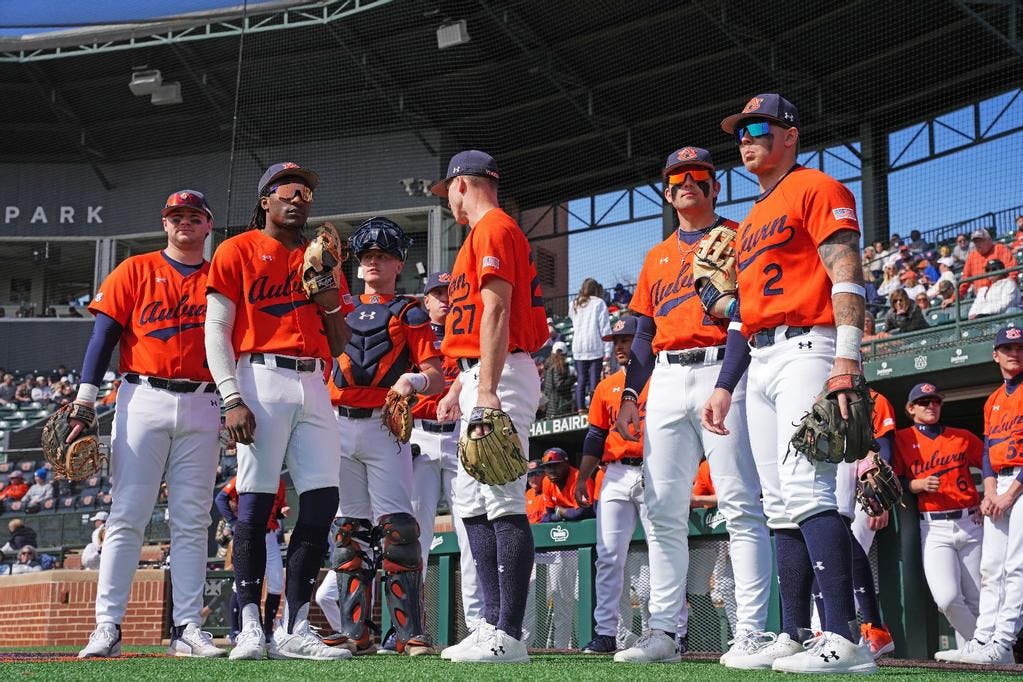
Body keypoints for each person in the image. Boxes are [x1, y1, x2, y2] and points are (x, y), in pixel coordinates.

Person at [704, 93, 876, 673]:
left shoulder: (818, 188)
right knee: (777, 501)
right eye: (740, 131)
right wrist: (725, 379)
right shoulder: (750, 219)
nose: (746, 138)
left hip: (811, 344)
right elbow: (744, 308)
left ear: (791, 134)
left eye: (758, 127)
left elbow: (847, 275)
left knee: (808, 490)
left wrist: (847, 360)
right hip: (761, 355)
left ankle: (846, 638)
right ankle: (797, 631)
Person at [616, 146, 771, 666]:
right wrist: (631, 394)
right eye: (677, 178)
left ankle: (750, 632)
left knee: (739, 503)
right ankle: (664, 631)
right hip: (665, 375)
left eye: (697, 177)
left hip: (721, 369)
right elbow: (642, 333)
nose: (687, 184)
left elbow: (746, 315)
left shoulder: (738, 235)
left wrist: (728, 381)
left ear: (714, 187)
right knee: (661, 509)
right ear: (667, 191)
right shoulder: (655, 255)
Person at [204, 162, 355, 661]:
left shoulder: (321, 257)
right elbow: (217, 329)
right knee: (254, 497)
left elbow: (339, 342)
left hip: (314, 379)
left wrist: (329, 294)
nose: (300, 199)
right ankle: (249, 622)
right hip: (259, 374)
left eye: (307, 194)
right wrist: (230, 396)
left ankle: (293, 625)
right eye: (289, 191)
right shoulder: (236, 249)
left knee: (322, 499)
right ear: (266, 199)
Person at [70, 190, 225, 660]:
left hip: (204, 401)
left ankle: (188, 628)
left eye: (193, 217)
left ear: (207, 225)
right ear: (165, 224)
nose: (184, 223)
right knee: (127, 515)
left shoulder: (221, 276)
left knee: (193, 520)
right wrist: (84, 401)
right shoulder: (134, 269)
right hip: (142, 397)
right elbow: (103, 337)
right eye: (175, 216)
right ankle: (107, 626)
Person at [429, 149, 548, 663]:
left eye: (447, 193)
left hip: (503, 374)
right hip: (481, 372)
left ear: (461, 185)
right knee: (473, 503)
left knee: (501, 498)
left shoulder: (494, 227)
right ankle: (488, 625)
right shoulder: (479, 235)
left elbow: (497, 310)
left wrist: (486, 389)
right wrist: (463, 383)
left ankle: (509, 632)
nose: (448, 203)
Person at [326, 217, 444, 657]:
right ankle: (356, 632)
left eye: (384, 256)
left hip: (384, 425)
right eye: (368, 257)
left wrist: (412, 381)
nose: (374, 263)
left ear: (399, 264)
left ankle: (408, 634)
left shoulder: (410, 311)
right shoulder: (335, 308)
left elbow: (436, 375)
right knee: (348, 534)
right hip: (338, 424)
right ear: (358, 267)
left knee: (397, 530)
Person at [934, 327, 1023, 664]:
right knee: (991, 566)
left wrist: (1010, 493)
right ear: (995, 355)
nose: (1013, 353)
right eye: (1006, 348)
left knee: (1016, 565)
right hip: (999, 484)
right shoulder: (994, 400)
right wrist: (989, 490)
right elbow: (987, 450)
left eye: (1019, 347)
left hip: (1019, 484)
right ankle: (983, 638)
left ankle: (1003, 643)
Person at [408, 271, 484, 641]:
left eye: (448, 292)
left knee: (469, 529)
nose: (443, 299)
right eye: (436, 293)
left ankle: (476, 625)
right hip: (420, 436)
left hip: (457, 436)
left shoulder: (466, 335)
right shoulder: (412, 334)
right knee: (414, 534)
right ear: (425, 300)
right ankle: (409, 625)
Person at [575, 315, 650, 654]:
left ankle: (670, 630)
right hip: (615, 473)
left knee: (661, 550)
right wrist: (582, 477)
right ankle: (606, 632)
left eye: (627, 339)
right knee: (608, 556)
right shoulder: (606, 386)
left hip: (653, 468)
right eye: (616, 341)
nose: (620, 346)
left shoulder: (659, 376)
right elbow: (595, 436)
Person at [891, 383, 983, 655]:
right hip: (933, 525)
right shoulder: (901, 439)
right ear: (910, 409)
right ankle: (987, 650)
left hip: (970, 522)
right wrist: (914, 485)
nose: (930, 406)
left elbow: (991, 465)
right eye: (923, 402)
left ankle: (973, 658)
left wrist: (988, 497)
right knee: (947, 599)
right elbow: (893, 479)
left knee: (977, 600)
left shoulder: (961, 436)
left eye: (935, 401)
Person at [829, 389, 898, 658]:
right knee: (830, 555)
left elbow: (885, 448)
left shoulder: (876, 398)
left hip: (860, 490)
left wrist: (879, 498)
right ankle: (861, 630)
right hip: (828, 481)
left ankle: (860, 630)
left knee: (845, 553)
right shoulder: (814, 390)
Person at [216, 477, 288, 644]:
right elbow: (221, 498)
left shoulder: (281, 482)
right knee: (241, 583)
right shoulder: (244, 474)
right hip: (249, 533)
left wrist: (282, 510)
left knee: (276, 582)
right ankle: (235, 631)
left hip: (270, 537)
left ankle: (267, 632)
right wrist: (233, 522)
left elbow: (276, 510)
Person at [569, 278, 611, 414]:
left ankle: (580, 408)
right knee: (594, 380)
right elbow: (605, 328)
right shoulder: (599, 303)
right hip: (594, 345)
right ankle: (594, 408)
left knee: (581, 379)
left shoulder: (574, 303)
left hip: (578, 346)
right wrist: (608, 352)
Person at [960, 228, 1017, 296]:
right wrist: (953, 298)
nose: (977, 244)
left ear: (989, 240)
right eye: (975, 242)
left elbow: (1013, 271)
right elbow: (965, 280)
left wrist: (1008, 287)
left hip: (1002, 291)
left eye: (980, 241)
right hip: (982, 296)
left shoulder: (1000, 249)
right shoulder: (971, 257)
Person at [542, 341, 575, 418]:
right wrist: (572, 379)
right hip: (560, 404)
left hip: (550, 403)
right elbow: (559, 385)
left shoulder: (548, 365)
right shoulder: (558, 366)